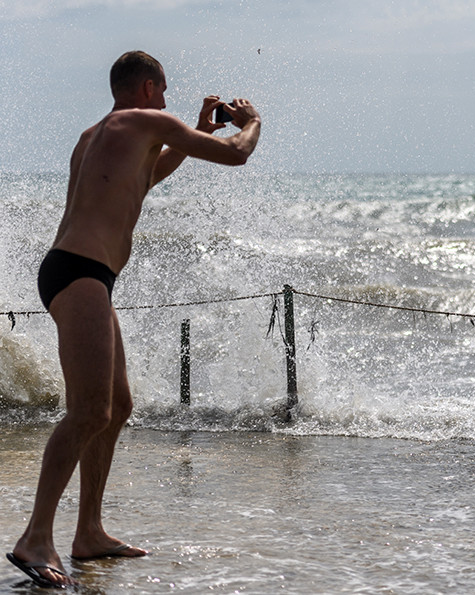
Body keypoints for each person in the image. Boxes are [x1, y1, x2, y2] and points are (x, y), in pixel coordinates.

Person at [6, 50, 261, 589]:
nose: (167, 105)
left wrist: (190, 130)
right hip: (81, 274)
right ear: (148, 88)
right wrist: (251, 121)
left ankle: (90, 532)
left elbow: (144, 178)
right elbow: (236, 154)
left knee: (117, 405)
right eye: (164, 94)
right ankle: (35, 536)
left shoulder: (96, 134)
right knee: (87, 411)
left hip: (76, 272)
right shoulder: (148, 120)